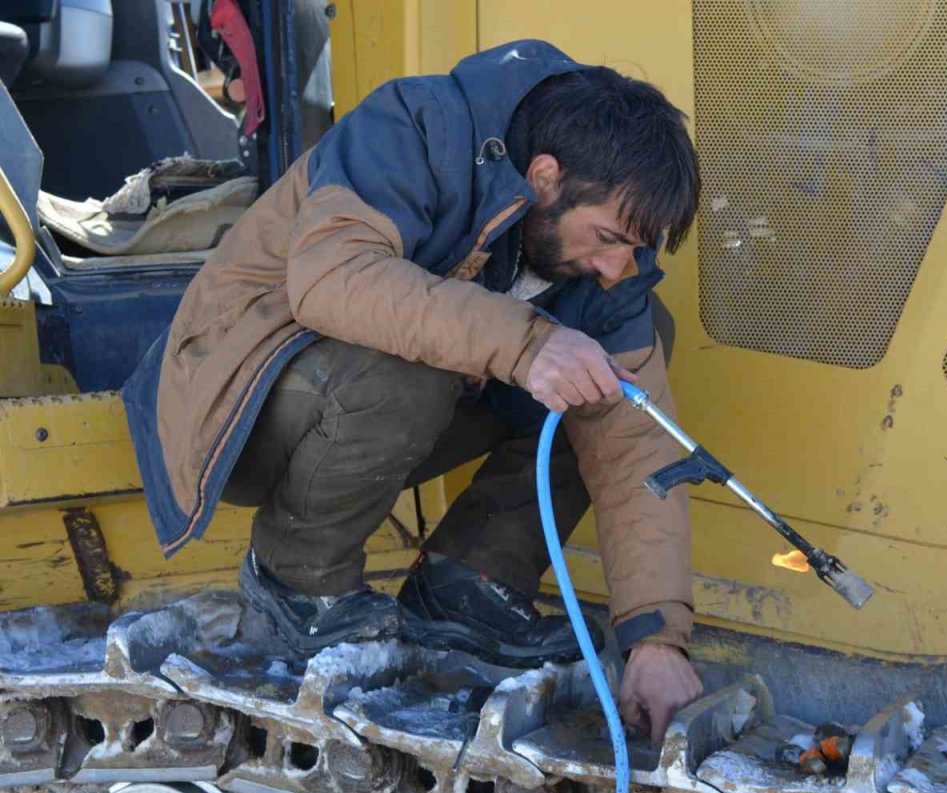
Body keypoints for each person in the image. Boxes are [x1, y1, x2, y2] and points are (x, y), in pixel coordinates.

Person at [123, 40, 703, 744]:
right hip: (240, 405)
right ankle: (297, 585)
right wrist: (526, 343)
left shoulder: (608, 268)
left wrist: (655, 639)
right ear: (545, 177)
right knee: (420, 352)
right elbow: (332, 280)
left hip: (380, 417)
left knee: (601, 373)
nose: (618, 267)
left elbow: (636, 445)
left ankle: (467, 585)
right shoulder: (415, 124)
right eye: (608, 236)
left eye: (635, 248)